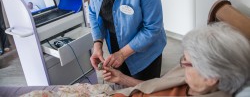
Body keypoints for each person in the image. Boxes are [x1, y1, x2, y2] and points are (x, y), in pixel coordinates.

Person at [100, 22, 250, 96]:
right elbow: (156, 86)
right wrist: (121, 79)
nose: (182, 64)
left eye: (187, 61)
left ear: (210, 78)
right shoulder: (192, 78)